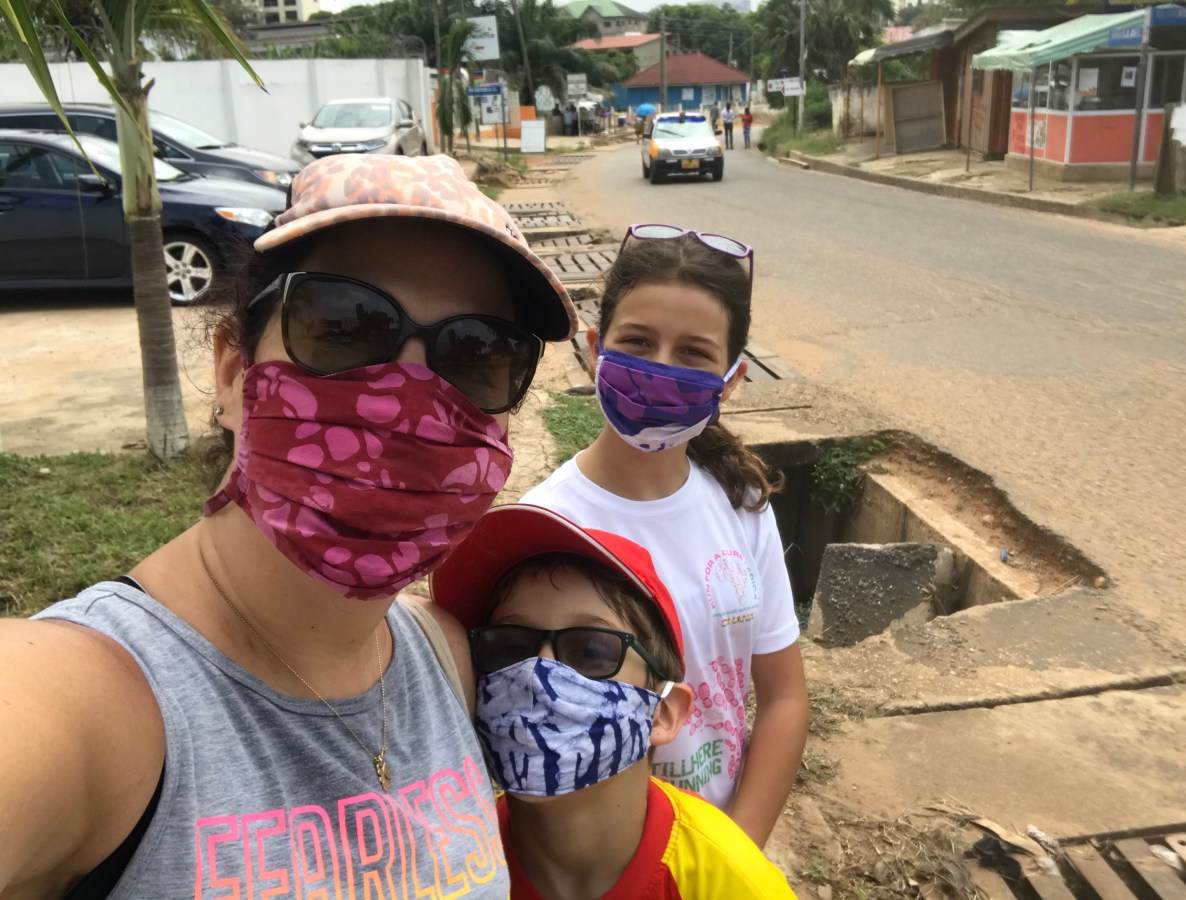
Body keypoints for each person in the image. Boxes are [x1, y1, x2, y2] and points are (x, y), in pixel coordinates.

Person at [0, 153, 577, 898]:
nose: (406, 394)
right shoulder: (89, 700)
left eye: (476, 352)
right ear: (235, 375)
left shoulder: (446, 658)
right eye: (343, 324)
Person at [521, 224, 809, 848]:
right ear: (595, 348)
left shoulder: (744, 508)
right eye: (638, 342)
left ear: (731, 379)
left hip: (720, 850)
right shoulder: (542, 527)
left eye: (693, 354)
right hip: (595, 861)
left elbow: (784, 696)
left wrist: (736, 855)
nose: (660, 370)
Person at [430, 504, 795, 899]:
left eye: (591, 650)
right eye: (509, 648)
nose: (538, 675)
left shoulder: (733, 884)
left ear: (663, 713)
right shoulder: (442, 869)